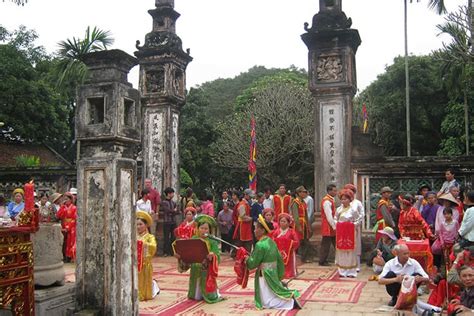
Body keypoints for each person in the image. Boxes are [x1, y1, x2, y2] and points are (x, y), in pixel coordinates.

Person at [245, 214, 301, 310]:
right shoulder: (271, 241)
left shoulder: (260, 245)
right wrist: (279, 273)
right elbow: (279, 258)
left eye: (256, 228)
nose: (254, 230)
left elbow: (253, 263)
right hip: (272, 272)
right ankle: (288, 300)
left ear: (262, 230)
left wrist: (247, 259)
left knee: (266, 302)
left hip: (264, 274)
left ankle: (290, 302)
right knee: (270, 294)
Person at [175, 214, 224, 304]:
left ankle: (210, 294)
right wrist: (181, 256)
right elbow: (189, 253)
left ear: (209, 230)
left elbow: (217, 255)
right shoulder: (194, 239)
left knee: (206, 285)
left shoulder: (212, 241)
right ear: (198, 228)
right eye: (201, 228)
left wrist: (212, 256)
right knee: (196, 296)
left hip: (206, 268)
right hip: (195, 267)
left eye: (206, 229)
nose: (203, 230)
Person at [335, 189, 359, 278]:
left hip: (350, 233)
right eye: (342, 199)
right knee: (341, 251)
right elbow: (335, 219)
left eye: (345, 199)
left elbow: (358, 219)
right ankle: (342, 271)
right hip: (341, 233)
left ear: (350, 199)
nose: (344, 201)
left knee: (351, 251)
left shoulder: (353, 210)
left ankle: (351, 271)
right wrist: (338, 225)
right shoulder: (338, 209)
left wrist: (352, 225)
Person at [136, 210, 159, 301]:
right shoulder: (133, 236)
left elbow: (153, 246)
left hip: (145, 264)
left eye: (141, 224)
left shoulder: (150, 237)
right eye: (137, 224)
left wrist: (143, 244)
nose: (138, 227)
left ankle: (144, 293)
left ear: (146, 225)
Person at [272, 213, 300, 279]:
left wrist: (289, 243)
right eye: (281, 221)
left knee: (289, 264)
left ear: (288, 223)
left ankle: (290, 273)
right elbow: (272, 240)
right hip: (278, 252)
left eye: (284, 221)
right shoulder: (276, 232)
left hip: (289, 252)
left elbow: (297, 242)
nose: (282, 223)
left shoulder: (292, 232)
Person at [344, 183, 365, 271]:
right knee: (346, 245)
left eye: (351, 191)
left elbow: (362, 214)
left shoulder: (358, 203)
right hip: (345, 228)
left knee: (356, 246)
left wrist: (355, 223)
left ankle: (357, 265)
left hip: (354, 227)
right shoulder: (343, 202)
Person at [290, 186, 312, 263]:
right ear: (299, 193)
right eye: (303, 192)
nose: (305, 193)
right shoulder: (295, 202)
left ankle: (304, 257)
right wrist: (298, 226)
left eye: (305, 192)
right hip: (298, 224)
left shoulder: (303, 202)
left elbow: (306, 215)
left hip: (304, 223)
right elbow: (295, 215)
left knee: (305, 240)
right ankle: (296, 257)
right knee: (297, 240)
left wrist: (308, 226)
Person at [319, 184, 337, 266]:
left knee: (335, 242)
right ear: (329, 191)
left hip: (330, 224)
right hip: (328, 225)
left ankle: (339, 258)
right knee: (326, 243)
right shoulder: (327, 201)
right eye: (334, 190)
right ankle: (322, 260)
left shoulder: (330, 200)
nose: (335, 192)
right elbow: (328, 215)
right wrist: (333, 226)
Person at [56, 192, 77, 261]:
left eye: (67, 199)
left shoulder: (74, 208)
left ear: (71, 200)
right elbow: (58, 216)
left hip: (71, 227)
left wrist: (68, 228)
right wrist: (62, 207)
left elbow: (74, 219)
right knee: (63, 242)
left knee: (70, 241)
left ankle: (69, 256)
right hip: (63, 225)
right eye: (64, 199)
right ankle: (64, 256)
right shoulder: (63, 207)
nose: (66, 200)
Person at [233, 189, 253, 253]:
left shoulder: (246, 203)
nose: (250, 197)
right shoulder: (242, 204)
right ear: (245, 195)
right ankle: (235, 253)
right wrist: (251, 218)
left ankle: (246, 253)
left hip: (246, 226)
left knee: (246, 240)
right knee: (240, 241)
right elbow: (242, 216)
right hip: (242, 225)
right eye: (249, 196)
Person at [161, 187, 178, 257]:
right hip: (167, 221)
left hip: (173, 221)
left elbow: (177, 211)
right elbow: (167, 211)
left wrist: (174, 211)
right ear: (168, 194)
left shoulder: (173, 202)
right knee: (166, 237)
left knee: (173, 237)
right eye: (172, 193)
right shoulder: (164, 202)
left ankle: (172, 251)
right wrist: (173, 211)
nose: (173, 194)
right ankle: (165, 252)